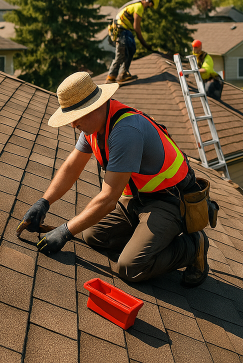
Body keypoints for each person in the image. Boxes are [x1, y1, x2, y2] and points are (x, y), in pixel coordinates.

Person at [18, 71, 210, 288]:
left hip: (170, 201)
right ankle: (145, 238)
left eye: (76, 118)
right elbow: (71, 167)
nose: (73, 125)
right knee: (92, 235)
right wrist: (44, 202)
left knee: (131, 267)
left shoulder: (126, 131)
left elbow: (109, 198)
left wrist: (65, 230)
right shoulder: (93, 126)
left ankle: (193, 246)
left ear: (94, 107)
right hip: (139, 198)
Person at [106, 0, 159, 84]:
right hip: (121, 30)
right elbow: (136, 27)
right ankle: (111, 77)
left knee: (130, 49)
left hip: (124, 30)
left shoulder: (136, 5)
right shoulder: (139, 7)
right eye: (151, 4)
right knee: (121, 53)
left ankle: (123, 73)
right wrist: (144, 43)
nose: (149, 7)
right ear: (149, 1)